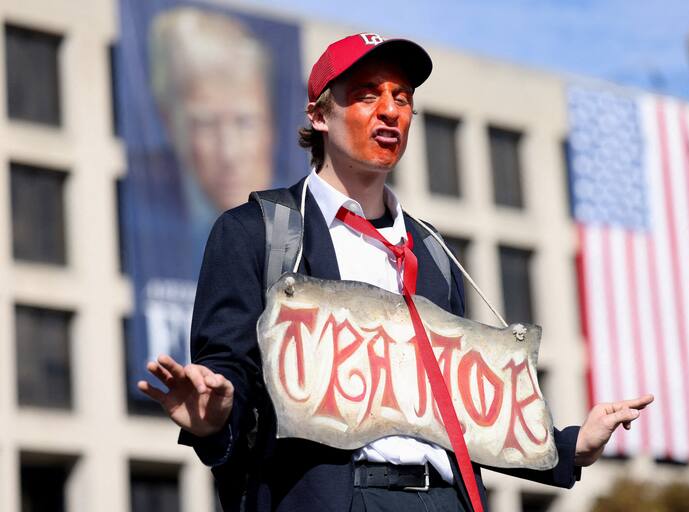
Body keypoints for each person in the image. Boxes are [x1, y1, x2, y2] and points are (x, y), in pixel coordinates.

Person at [138, 33, 653, 511]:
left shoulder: (432, 249)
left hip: (446, 499)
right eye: (366, 95)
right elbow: (228, 372)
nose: (390, 111)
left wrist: (569, 447)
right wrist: (216, 417)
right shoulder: (257, 231)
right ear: (319, 116)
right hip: (334, 498)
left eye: (402, 98)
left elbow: (461, 410)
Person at [149, 6, 274, 228]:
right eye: (205, 125)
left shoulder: (300, 216)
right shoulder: (151, 219)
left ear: (271, 123)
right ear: (169, 124)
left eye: (244, 122)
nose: (229, 154)